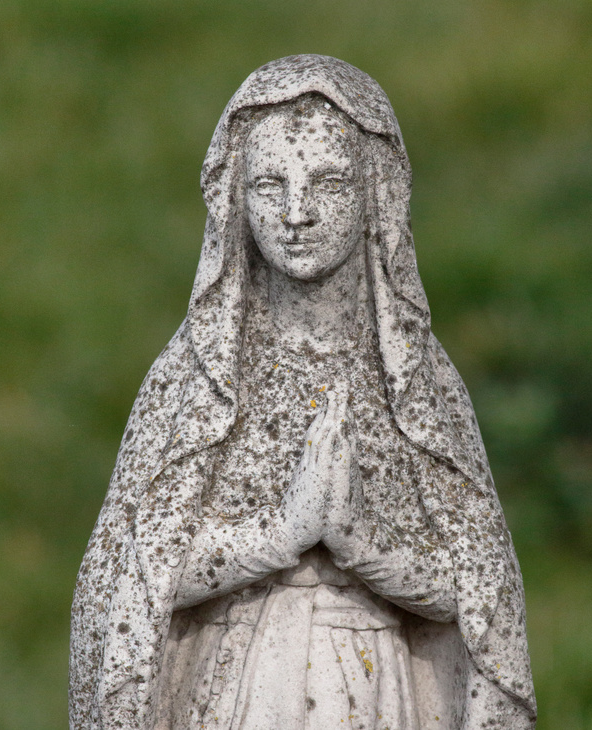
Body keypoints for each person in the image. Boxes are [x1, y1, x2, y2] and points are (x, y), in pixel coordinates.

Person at [70, 55, 536, 730]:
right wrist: (281, 533)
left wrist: (359, 541)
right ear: (235, 199)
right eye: (267, 185)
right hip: (235, 689)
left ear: (375, 192)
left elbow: (480, 592)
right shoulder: (197, 378)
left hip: (377, 690)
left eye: (327, 183)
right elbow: (127, 576)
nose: (295, 213)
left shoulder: (416, 382)